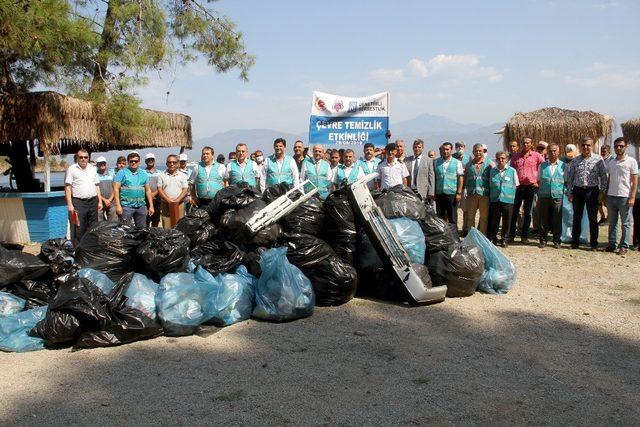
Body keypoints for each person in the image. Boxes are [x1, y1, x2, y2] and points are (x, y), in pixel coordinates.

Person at [565, 137, 608, 250]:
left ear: (592, 146)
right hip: (578, 191)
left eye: (588, 145)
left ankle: (593, 243)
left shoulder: (598, 160)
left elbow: (604, 177)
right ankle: (575, 242)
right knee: (576, 218)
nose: (585, 147)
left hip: (592, 191)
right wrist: (570, 193)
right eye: (583, 145)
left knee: (593, 218)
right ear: (580, 146)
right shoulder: (575, 160)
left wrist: (602, 192)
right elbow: (570, 178)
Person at [507, 136, 544, 244]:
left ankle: (524, 236)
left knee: (528, 213)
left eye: (528, 143)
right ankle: (511, 236)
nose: (526, 145)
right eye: (524, 143)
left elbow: (544, 168)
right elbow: (511, 171)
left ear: (531, 144)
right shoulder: (515, 156)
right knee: (514, 212)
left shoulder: (537, 156)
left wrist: (538, 182)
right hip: (518, 187)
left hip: (531, 187)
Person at [604, 137, 638, 255]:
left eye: (621, 146)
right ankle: (612, 244)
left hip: (624, 196)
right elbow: (609, 179)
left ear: (626, 147)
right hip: (611, 196)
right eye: (616, 146)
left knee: (626, 223)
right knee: (612, 223)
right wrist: (605, 194)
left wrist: (632, 197)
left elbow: (634, 180)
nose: (618, 148)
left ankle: (624, 246)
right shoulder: (611, 162)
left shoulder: (631, 161)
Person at [64, 149, 102, 242]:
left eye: (86, 157)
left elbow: (96, 186)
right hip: (79, 202)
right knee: (80, 227)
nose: (83, 159)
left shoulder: (93, 168)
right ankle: (80, 250)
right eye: (81, 157)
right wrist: (69, 204)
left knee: (93, 227)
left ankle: (91, 249)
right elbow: (68, 187)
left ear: (88, 158)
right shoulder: (72, 169)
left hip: (93, 201)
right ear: (77, 158)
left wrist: (100, 201)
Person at [113, 152, 154, 228]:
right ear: (128, 162)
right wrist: (118, 206)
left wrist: (151, 206)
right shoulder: (122, 173)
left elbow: (148, 190)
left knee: (142, 230)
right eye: (131, 161)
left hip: (141, 206)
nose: (134, 163)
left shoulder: (144, 173)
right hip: (126, 207)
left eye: (136, 161)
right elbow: (116, 189)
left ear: (139, 162)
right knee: (125, 229)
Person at [536, 143, 565, 248]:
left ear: (558, 152)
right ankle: (543, 240)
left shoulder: (563, 166)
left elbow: (566, 181)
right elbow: (538, 180)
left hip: (557, 196)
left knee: (557, 219)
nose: (552, 153)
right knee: (543, 219)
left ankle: (557, 240)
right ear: (547, 152)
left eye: (554, 151)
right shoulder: (542, 166)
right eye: (550, 151)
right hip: (544, 195)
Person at [488, 151, 518, 247]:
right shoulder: (492, 171)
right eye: (498, 158)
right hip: (495, 200)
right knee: (494, 221)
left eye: (503, 158)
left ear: (506, 159)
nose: (500, 160)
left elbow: (516, 185)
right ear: (496, 159)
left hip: (508, 200)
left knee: (507, 221)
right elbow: (490, 184)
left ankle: (504, 239)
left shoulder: (512, 171)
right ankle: (493, 238)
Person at [462, 143, 493, 235]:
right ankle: (471, 235)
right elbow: (465, 178)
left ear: (483, 152)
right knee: (470, 217)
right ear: (473, 152)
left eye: (480, 151)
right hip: (472, 194)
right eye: (476, 151)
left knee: (483, 217)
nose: (478, 153)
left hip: (485, 195)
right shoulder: (469, 164)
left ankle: (482, 235)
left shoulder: (490, 164)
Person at [434, 142, 464, 225]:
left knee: (452, 217)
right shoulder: (436, 162)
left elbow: (460, 178)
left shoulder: (457, 162)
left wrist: (459, 193)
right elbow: (434, 178)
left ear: (451, 150)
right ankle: (442, 236)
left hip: (452, 193)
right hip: (439, 193)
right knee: (440, 217)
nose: (445, 151)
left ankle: (454, 236)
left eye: (447, 149)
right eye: (444, 149)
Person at [158, 154, 189, 228]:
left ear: (178, 163)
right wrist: (169, 201)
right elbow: (159, 189)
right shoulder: (161, 175)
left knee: (179, 226)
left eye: (174, 162)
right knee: (166, 227)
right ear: (166, 164)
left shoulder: (183, 175)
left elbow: (185, 189)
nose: (171, 164)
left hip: (179, 204)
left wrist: (177, 201)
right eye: (169, 162)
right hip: (165, 205)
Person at [95, 156, 117, 222]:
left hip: (112, 202)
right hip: (99, 202)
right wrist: (104, 200)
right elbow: (95, 189)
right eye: (100, 163)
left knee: (113, 222)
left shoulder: (112, 173)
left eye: (103, 163)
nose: (102, 164)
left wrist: (109, 200)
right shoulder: (94, 174)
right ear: (97, 165)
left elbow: (115, 187)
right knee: (100, 222)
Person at [598, 144, 614, 225]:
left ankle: (609, 218)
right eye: (602, 151)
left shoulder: (612, 160)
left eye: (604, 151)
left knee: (607, 204)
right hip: (600, 185)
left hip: (609, 186)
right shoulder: (600, 160)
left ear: (609, 151)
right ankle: (603, 217)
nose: (602, 153)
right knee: (598, 203)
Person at [144, 153, 161, 227]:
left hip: (157, 199)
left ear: (154, 160)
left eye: (152, 159)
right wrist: (149, 195)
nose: (150, 161)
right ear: (145, 161)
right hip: (145, 200)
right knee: (146, 220)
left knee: (156, 221)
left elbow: (161, 186)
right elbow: (141, 185)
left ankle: (154, 237)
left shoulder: (160, 173)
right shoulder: (142, 173)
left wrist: (153, 194)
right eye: (148, 160)